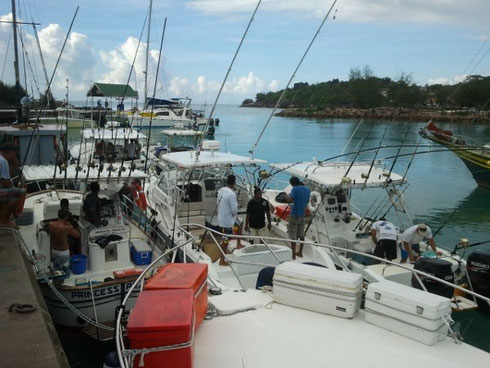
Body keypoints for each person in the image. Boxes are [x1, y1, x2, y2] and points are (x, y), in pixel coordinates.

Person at [0, 143, 26, 228]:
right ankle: (3, 220)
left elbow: (4, 179)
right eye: (15, 154)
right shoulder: (3, 162)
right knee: (21, 192)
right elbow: (6, 184)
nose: (15, 157)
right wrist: (16, 188)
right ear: (9, 152)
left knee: (11, 192)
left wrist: (13, 167)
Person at [217, 174, 239, 265]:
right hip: (227, 221)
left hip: (221, 218)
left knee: (239, 223)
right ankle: (222, 261)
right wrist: (234, 215)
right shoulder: (232, 194)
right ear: (234, 183)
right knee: (225, 241)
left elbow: (217, 203)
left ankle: (237, 244)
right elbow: (234, 210)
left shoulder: (221, 190)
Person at [286, 176, 310, 259]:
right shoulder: (307, 189)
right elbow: (306, 201)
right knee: (301, 234)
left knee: (293, 235)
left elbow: (290, 200)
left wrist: (286, 197)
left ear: (292, 183)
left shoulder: (294, 189)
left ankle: (293, 254)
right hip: (302, 215)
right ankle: (300, 252)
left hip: (294, 214)